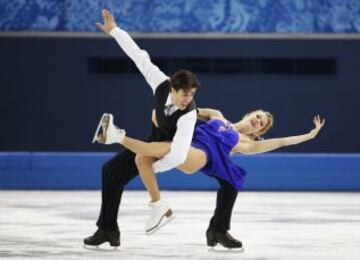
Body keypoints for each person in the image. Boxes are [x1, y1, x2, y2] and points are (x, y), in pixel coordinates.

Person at [96, 109, 325, 248]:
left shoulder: (248, 143)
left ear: (258, 132)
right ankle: (155, 204)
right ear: (249, 114)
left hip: (199, 156)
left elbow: (281, 142)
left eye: (261, 123)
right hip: (184, 141)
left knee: (221, 178)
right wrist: (163, 116)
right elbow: (188, 113)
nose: (257, 120)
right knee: (143, 156)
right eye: (257, 116)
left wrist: (309, 135)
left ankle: (116, 136)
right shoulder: (217, 115)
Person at [84, 9, 201, 247]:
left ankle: (155, 207)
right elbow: (139, 56)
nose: (188, 99)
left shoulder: (189, 115)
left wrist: (151, 167)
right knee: (110, 171)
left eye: (192, 95)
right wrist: (114, 31)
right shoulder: (161, 83)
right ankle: (108, 230)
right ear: (173, 88)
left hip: (167, 150)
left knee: (123, 165)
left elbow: (178, 154)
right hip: (149, 143)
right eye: (185, 94)